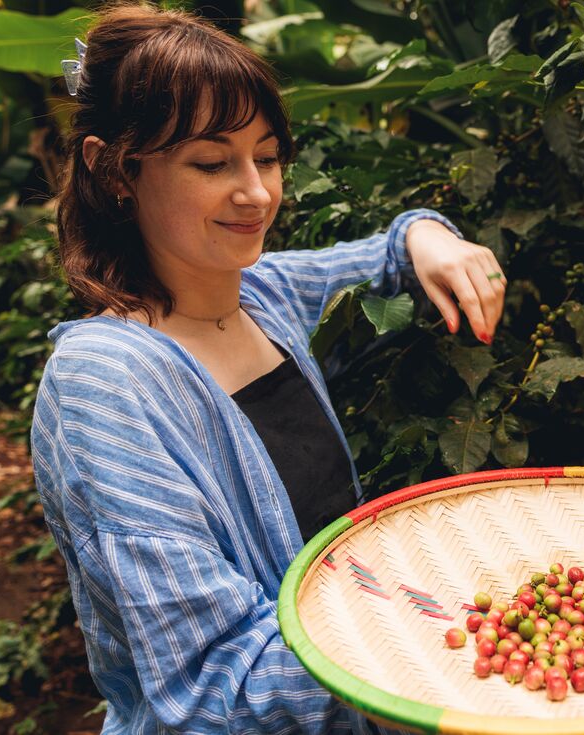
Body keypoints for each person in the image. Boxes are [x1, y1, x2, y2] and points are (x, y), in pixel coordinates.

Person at [31, 4, 506, 733]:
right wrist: (425, 663)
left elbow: (389, 255)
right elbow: (210, 682)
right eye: (212, 162)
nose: (256, 191)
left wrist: (429, 235)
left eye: (269, 156)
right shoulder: (106, 383)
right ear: (115, 169)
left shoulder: (263, 297)